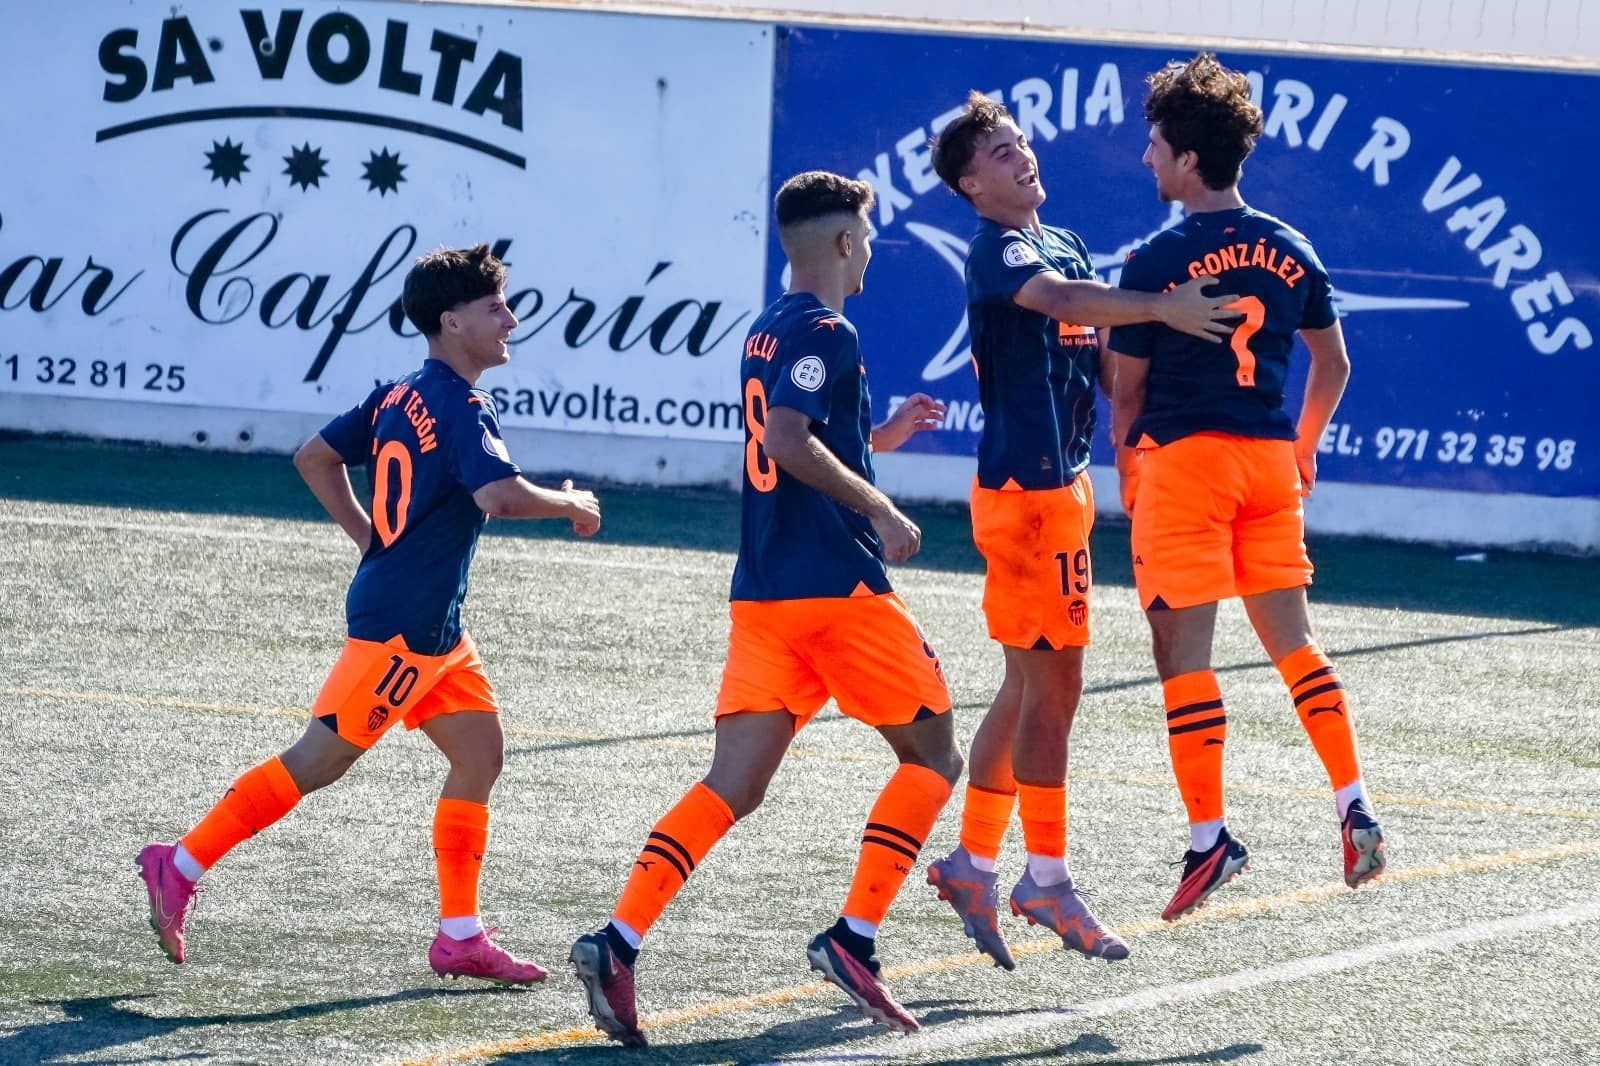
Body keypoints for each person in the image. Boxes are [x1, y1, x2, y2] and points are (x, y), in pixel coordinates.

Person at [135, 244, 602, 983]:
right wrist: (572, 503)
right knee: (317, 762)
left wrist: (371, 539)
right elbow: (499, 496)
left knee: (479, 755)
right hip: (402, 632)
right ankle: (180, 863)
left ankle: (459, 936)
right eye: (495, 308)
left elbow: (313, 457)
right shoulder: (461, 405)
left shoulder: (398, 394)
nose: (511, 320)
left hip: (436, 632)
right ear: (451, 321)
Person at [569, 171, 960, 1046]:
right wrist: (881, 507)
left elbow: (801, 435)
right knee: (934, 758)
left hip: (765, 598)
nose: (870, 254)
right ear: (844, 243)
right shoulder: (827, 328)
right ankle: (854, 937)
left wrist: (881, 439)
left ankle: (618, 940)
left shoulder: (768, 328)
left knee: (732, 785)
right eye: (866, 239)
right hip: (836, 589)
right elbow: (786, 440)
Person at [922, 92, 1238, 969]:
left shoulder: (1062, 242)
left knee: (1026, 686)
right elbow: (1062, 299)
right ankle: (1047, 877)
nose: (1022, 155)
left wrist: (1183, 372)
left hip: (1062, 488)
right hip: (1025, 497)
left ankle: (973, 861)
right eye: (998, 151)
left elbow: (1102, 358)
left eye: (1021, 141)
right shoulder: (999, 250)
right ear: (969, 185)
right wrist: (1161, 307)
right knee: (1055, 688)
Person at [1107, 53, 1387, 922]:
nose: (1147, 158)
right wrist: (1304, 447)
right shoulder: (1292, 247)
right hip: (1267, 462)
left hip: (1185, 466)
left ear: (1189, 158)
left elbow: (1126, 392)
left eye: (1157, 145)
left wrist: (1127, 466)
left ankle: (1210, 839)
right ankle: (1354, 803)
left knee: (1183, 659)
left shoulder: (1157, 256)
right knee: (1295, 645)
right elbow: (1334, 363)